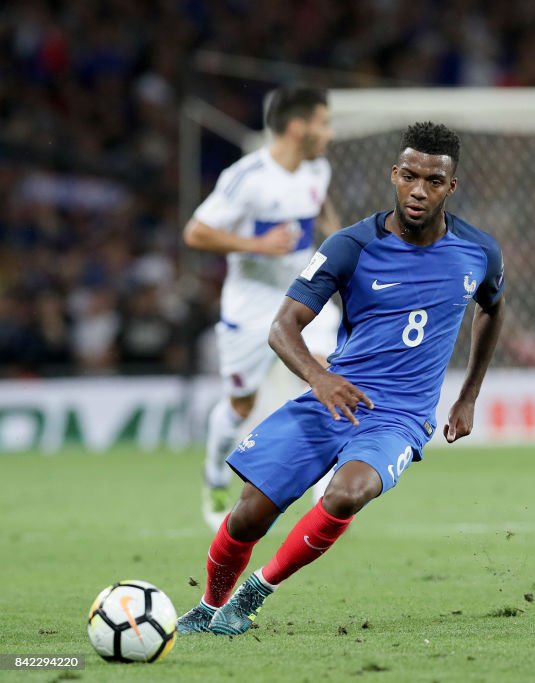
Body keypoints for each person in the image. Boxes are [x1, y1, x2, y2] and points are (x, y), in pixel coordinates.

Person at [175, 121, 505, 636]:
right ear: (394, 175)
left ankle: (254, 594)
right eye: (410, 176)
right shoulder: (350, 245)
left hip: (400, 417)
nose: (419, 191)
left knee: (347, 494)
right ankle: (208, 605)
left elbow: (492, 308)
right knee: (247, 517)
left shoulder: (478, 251)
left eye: (433, 181)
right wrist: (319, 379)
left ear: (451, 186)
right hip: (332, 399)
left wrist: (468, 397)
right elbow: (283, 327)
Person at [184, 86, 342, 530]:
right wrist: (256, 244)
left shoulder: (318, 169)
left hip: (303, 299)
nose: (329, 133)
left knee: (327, 377)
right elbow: (195, 233)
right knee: (240, 404)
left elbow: (321, 211)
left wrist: (341, 247)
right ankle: (215, 475)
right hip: (250, 309)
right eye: (323, 123)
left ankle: (323, 492)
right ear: (297, 127)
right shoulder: (247, 177)